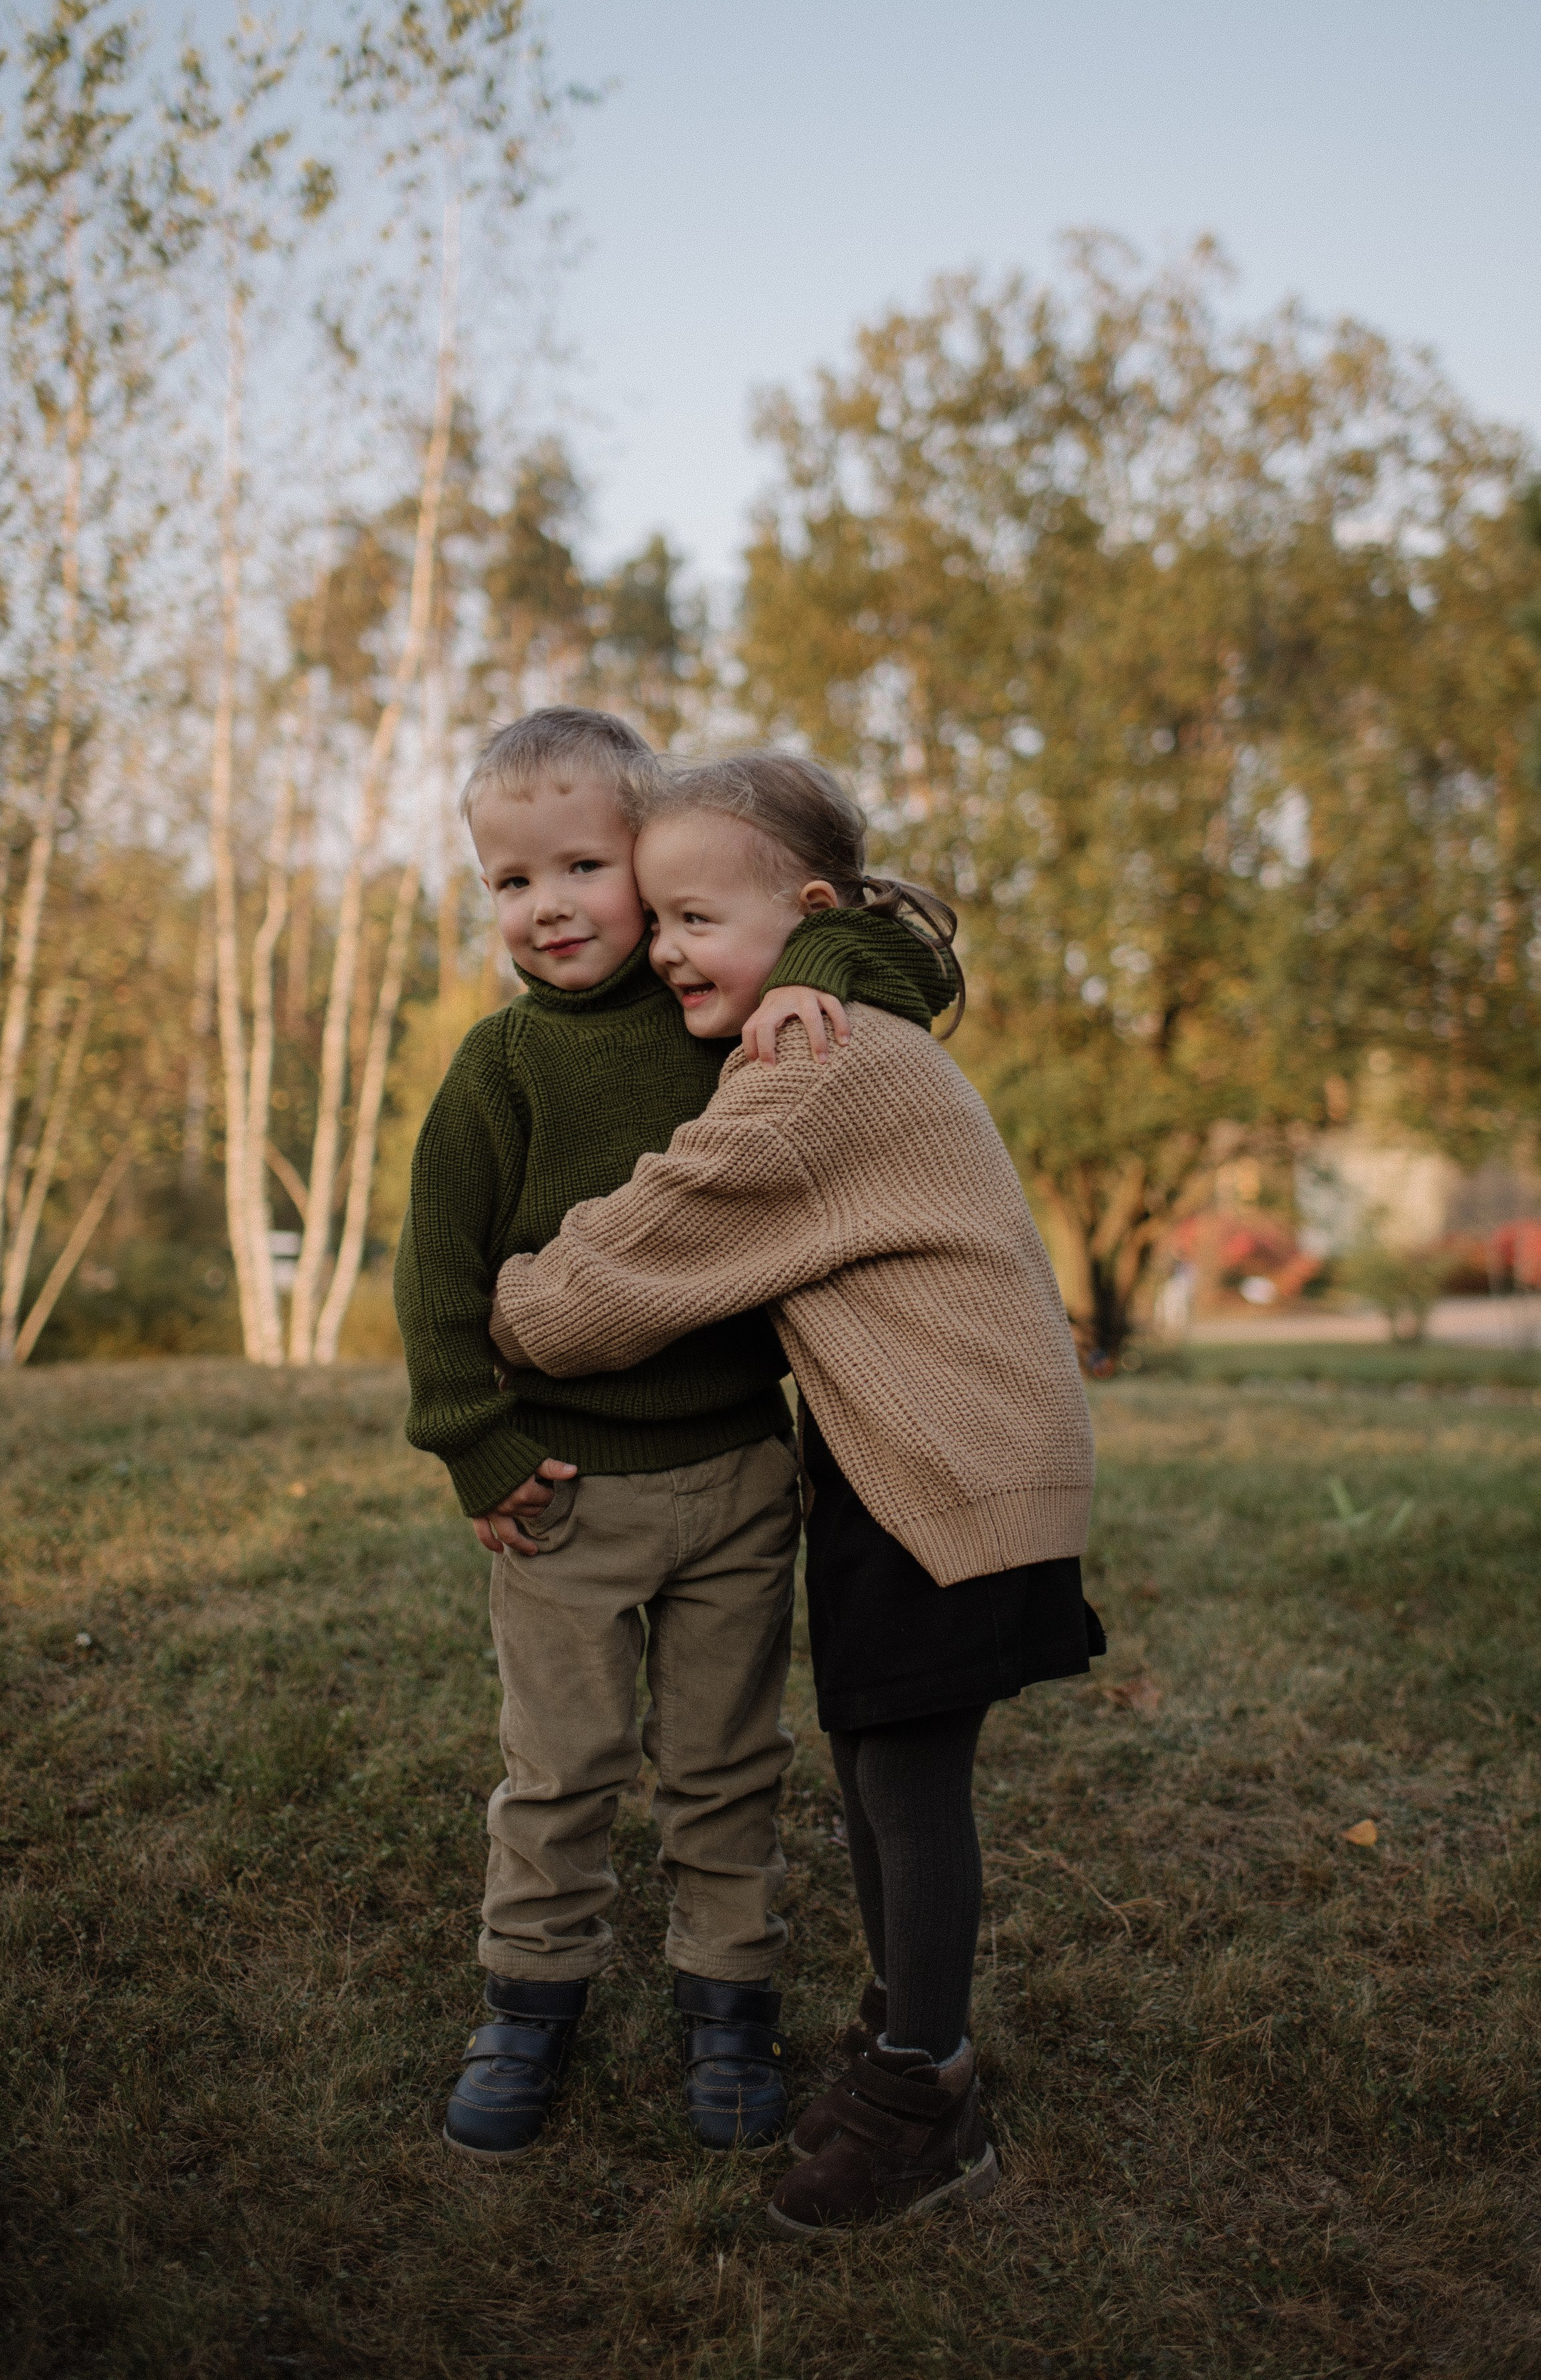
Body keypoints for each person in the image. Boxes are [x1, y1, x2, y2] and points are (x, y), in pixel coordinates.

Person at [487, 751, 1102, 2237]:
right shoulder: (843, 1005)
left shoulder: (809, 1065)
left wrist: (498, 1307)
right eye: (662, 918)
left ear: (808, 916)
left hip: (940, 1461)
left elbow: (632, 1260)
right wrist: (803, 951)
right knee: (874, 1762)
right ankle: (908, 2034)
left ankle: (923, 2090)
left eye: (696, 917)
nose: (673, 947)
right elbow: (882, 936)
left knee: (903, 1780)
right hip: (913, 1455)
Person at [394, 707, 951, 2163]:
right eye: (511, 881)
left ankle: (728, 2008)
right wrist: (475, 1446)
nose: (549, 906)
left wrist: (812, 969)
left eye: (583, 865)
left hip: (735, 1476)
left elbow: (911, 960)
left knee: (723, 1761)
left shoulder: (721, 1008)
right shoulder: (497, 1066)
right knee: (563, 1762)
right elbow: (435, 1276)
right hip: (564, 1492)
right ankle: (529, 2003)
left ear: (647, 872)